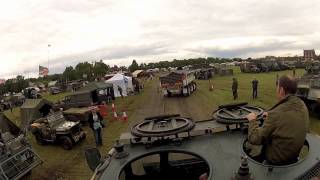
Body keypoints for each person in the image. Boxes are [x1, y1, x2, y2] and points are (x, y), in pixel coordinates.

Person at [245, 75, 309, 165]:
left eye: (277, 87)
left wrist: (252, 120)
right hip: (293, 155)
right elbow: (286, 119)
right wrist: (271, 116)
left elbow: (254, 138)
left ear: (281, 90)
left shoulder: (276, 114)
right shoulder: (302, 104)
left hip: (276, 161)